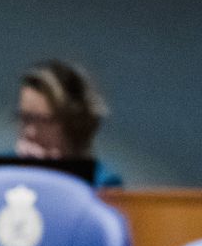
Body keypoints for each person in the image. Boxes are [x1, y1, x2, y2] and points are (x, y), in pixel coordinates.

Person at [15, 59, 123, 187]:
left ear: (75, 125)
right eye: (25, 118)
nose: (30, 131)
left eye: (46, 121)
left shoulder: (103, 182)